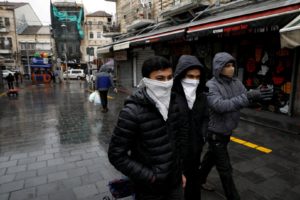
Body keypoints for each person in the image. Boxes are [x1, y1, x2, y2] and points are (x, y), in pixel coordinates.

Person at [108, 56, 186, 200]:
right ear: (146, 81)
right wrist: (150, 177)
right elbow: (116, 155)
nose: (166, 83)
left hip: (175, 184)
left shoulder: (174, 104)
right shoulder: (132, 112)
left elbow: (176, 144)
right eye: (160, 78)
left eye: (169, 77)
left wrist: (179, 172)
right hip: (149, 189)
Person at [199, 52, 261, 200]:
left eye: (232, 65)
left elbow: (243, 98)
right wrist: (246, 98)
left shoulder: (236, 82)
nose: (231, 68)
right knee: (225, 169)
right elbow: (220, 106)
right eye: (227, 66)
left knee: (210, 158)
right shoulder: (210, 85)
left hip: (227, 131)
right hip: (215, 132)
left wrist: (256, 97)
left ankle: (199, 179)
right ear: (218, 67)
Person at [172, 55, 209, 200]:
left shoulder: (201, 97)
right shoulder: (171, 97)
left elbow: (206, 117)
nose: (193, 81)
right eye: (190, 76)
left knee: (194, 188)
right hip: (176, 157)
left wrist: (203, 134)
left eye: (197, 77)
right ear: (181, 75)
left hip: (195, 152)